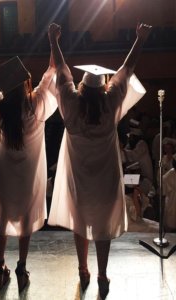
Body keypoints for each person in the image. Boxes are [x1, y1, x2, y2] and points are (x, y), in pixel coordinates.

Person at [47, 22, 151, 299]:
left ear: (82, 85)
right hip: (104, 179)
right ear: (104, 86)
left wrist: (53, 41)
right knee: (102, 227)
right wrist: (139, 39)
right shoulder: (110, 105)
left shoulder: (70, 103)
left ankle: (83, 269)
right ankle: (103, 274)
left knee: (81, 222)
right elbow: (126, 70)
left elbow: (61, 71)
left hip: (78, 178)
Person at [0, 33, 57, 292]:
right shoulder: (34, 107)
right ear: (25, 84)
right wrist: (54, 44)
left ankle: (0, 265)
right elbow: (50, 75)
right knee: (26, 218)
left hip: (3, 175)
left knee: (3, 217)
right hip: (28, 175)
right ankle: (21, 266)